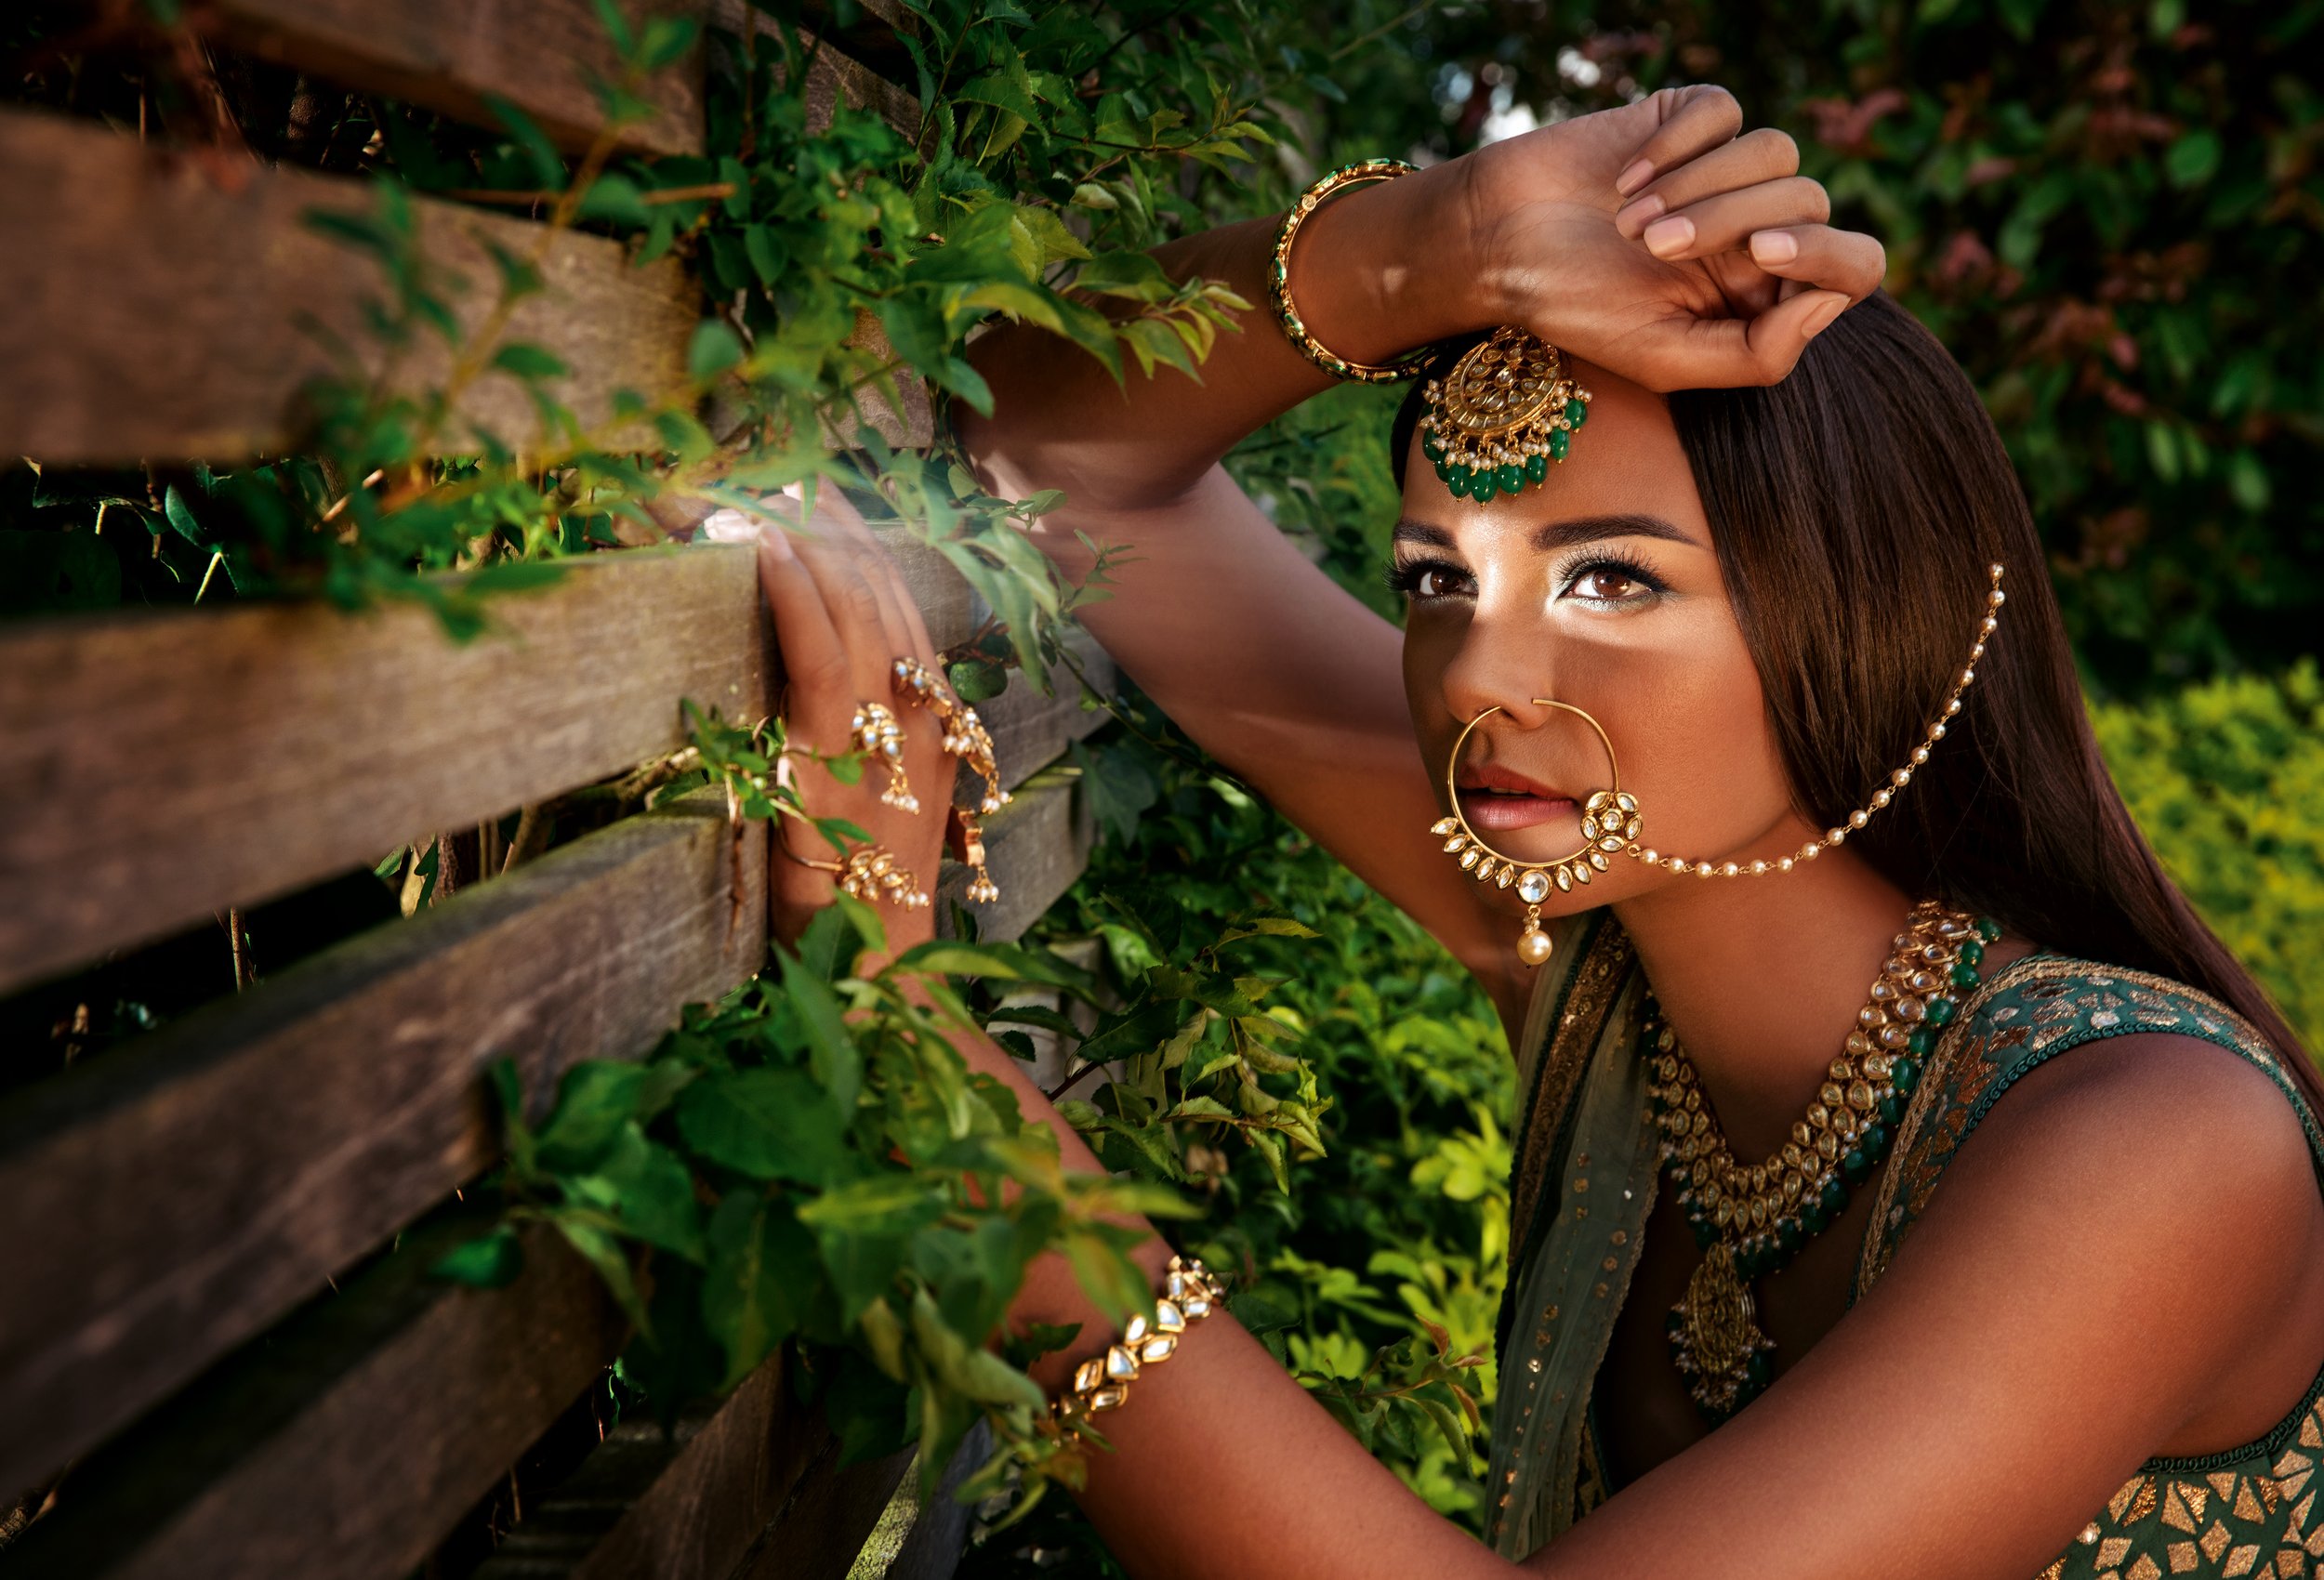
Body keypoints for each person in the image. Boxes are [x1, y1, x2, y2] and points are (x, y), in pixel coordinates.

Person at [748, 85, 2324, 1578]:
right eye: (1440, 578)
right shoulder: (1602, 961)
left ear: (1873, 617)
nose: (1481, 676)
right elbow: (1045, 452)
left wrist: (905, 1049)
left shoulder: (2159, 1149)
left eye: (1615, 581)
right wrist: (1451, 243)